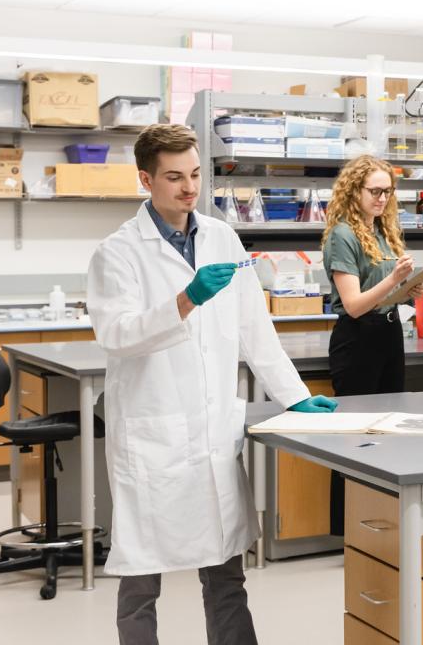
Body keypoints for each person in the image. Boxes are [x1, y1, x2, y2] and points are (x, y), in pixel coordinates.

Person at [87, 124, 338, 645]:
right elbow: (116, 335)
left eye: (196, 174)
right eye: (174, 177)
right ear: (146, 180)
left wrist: (294, 396)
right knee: (141, 579)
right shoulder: (118, 252)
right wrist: (185, 299)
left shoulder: (223, 237)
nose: (188, 187)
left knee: (226, 571)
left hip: (210, 432)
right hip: (153, 436)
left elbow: (254, 331)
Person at [321, 154, 414, 396]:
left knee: (391, 414)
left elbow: (382, 290)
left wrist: (406, 290)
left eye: (388, 191)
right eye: (375, 191)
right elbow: (354, 306)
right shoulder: (343, 235)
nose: (383, 198)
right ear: (354, 190)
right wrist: (394, 279)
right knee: (358, 424)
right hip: (358, 338)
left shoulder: (383, 231)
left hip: (390, 332)